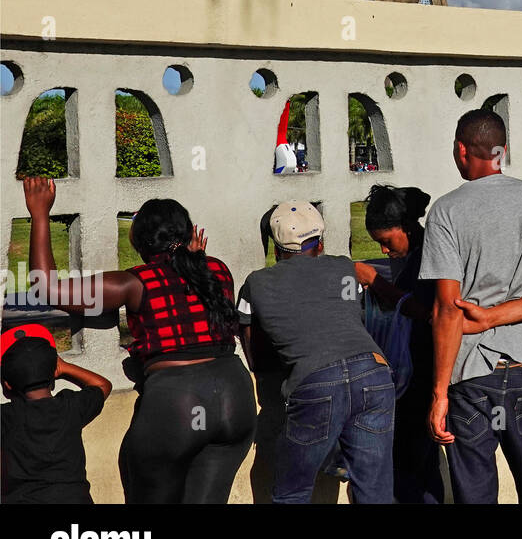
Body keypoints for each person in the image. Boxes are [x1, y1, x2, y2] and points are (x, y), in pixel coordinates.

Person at [21, 177, 255, 503]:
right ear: (188, 236)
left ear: (142, 244)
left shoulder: (134, 282)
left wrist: (40, 214)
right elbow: (191, 282)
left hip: (178, 401)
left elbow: (45, 289)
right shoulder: (217, 269)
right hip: (236, 397)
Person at [423, 109, 522, 504]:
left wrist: (439, 392)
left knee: (475, 491)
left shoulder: (446, 211)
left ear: (461, 150)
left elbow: (446, 309)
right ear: (502, 151)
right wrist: (498, 317)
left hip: (469, 376)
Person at [237, 201, 395, 503]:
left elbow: (256, 355)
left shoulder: (255, 284)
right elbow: (351, 319)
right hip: (375, 373)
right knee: (373, 490)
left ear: (275, 246)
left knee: (292, 492)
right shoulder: (343, 266)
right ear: (320, 241)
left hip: (315, 381)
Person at [353, 184, 444, 503]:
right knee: (420, 467)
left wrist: (374, 281)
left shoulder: (429, 260)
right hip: (415, 375)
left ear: (406, 229)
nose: (383, 251)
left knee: (409, 467)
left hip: (421, 377)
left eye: (387, 242)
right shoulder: (416, 257)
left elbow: (426, 312)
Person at [1, 324, 111, 504]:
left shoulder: (6, 417)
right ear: (54, 373)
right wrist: (65, 368)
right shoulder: (70, 406)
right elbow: (102, 385)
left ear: (7, 384)